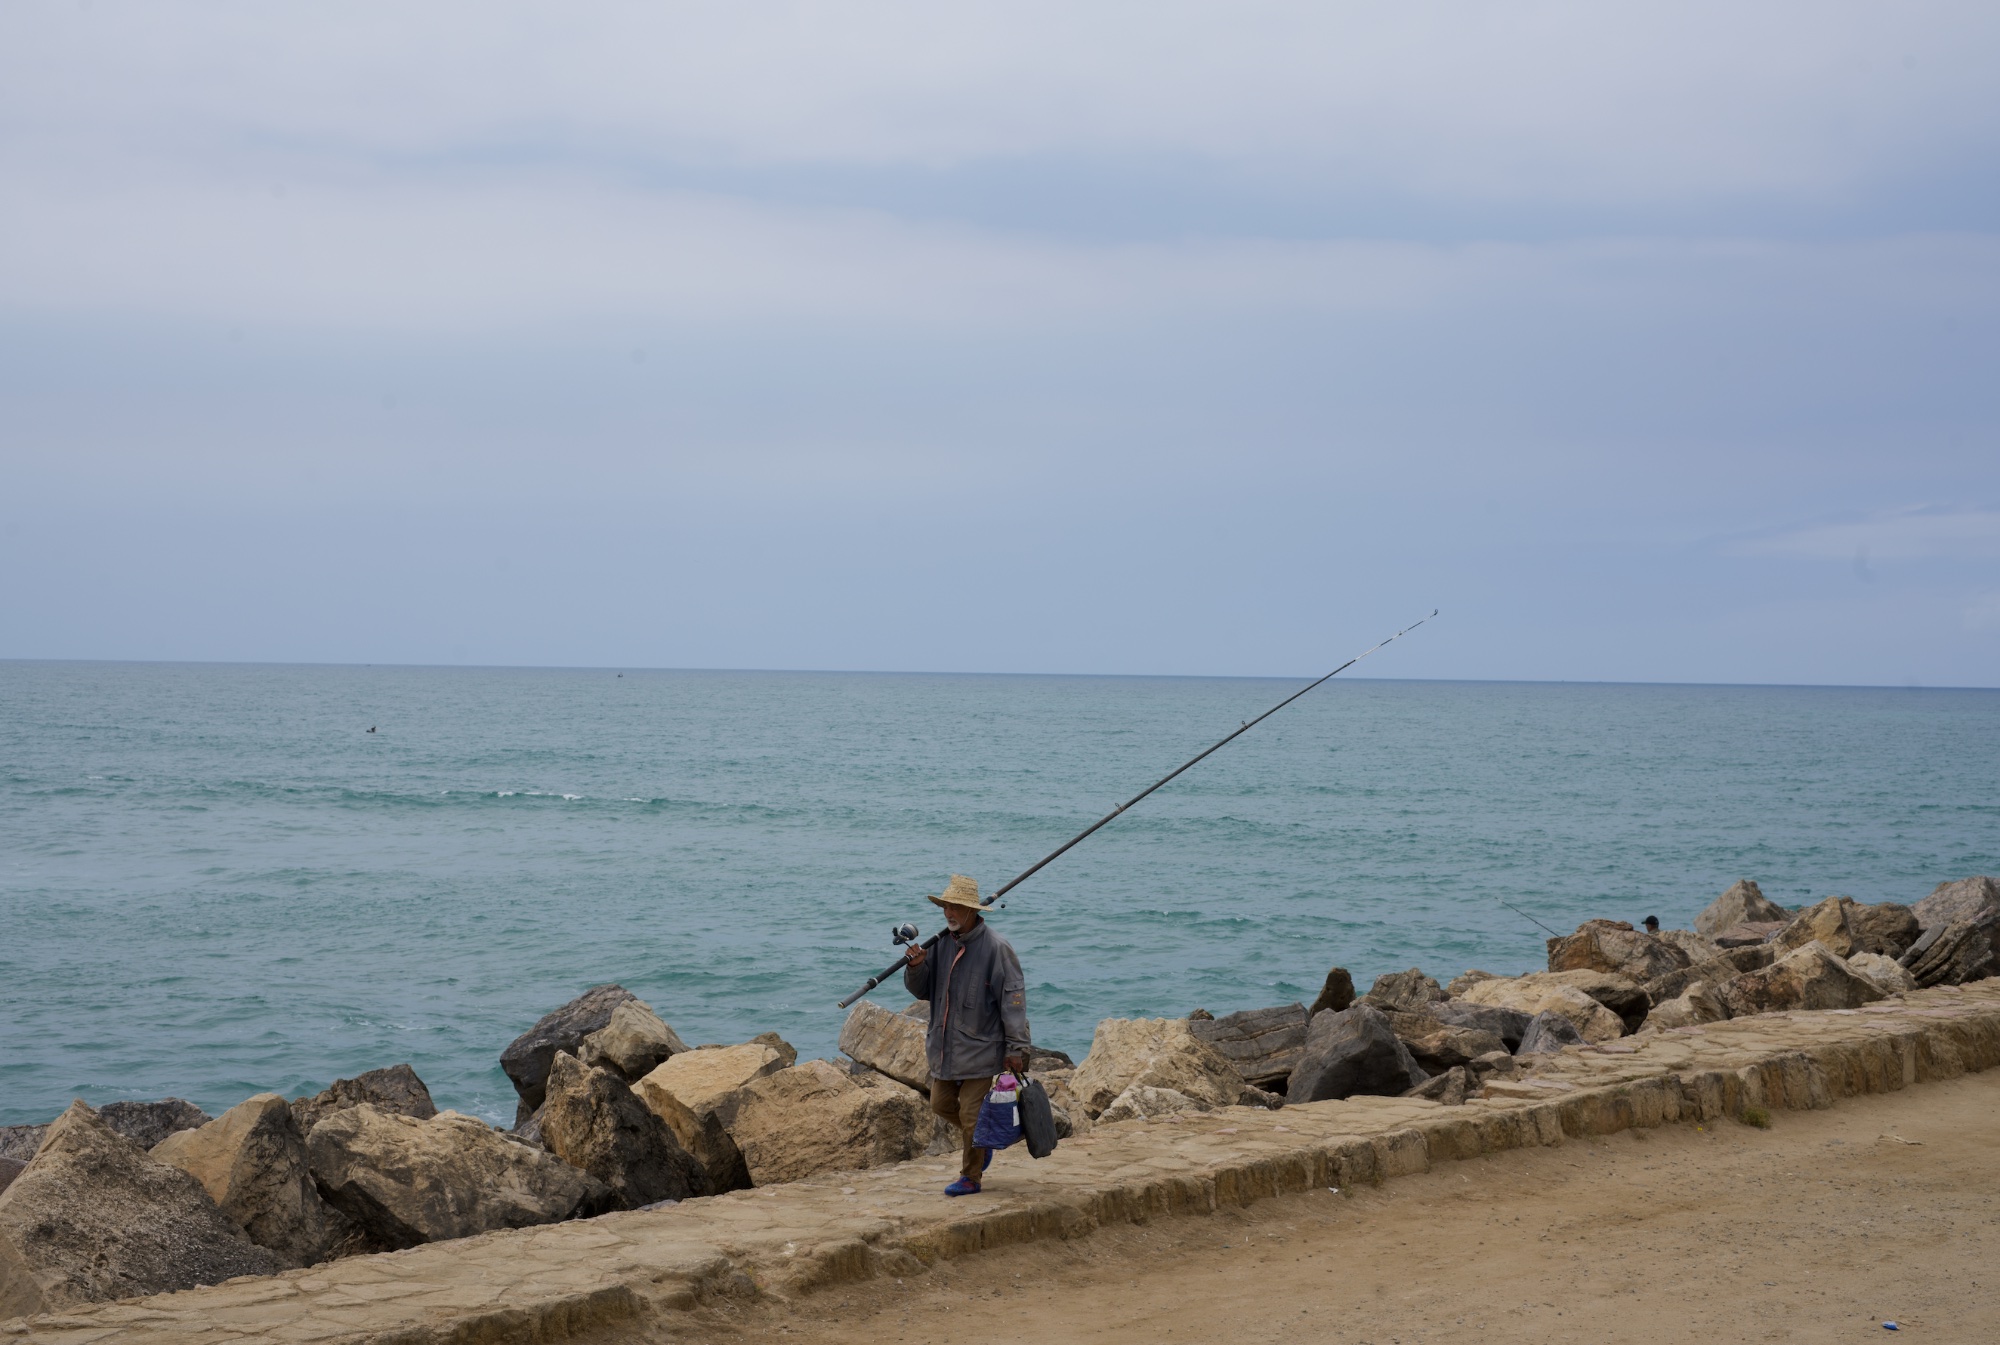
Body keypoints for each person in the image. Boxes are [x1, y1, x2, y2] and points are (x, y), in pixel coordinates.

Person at [904, 874, 1030, 1197]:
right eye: (946, 906)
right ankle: (983, 1143)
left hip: (983, 1050)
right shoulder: (939, 944)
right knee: (940, 1103)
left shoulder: (997, 949)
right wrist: (917, 966)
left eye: (956, 907)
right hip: (946, 1049)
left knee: (971, 1115)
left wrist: (1017, 1048)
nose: (949, 913)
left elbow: (1013, 1001)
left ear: (973, 911)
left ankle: (971, 1176)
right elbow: (922, 991)